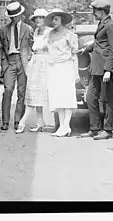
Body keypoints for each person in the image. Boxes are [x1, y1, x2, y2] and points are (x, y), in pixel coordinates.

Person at [80, 0, 113, 140]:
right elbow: (99, 43)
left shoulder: (110, 26)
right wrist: (85, 50)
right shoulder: (102, 24)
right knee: (91, 97)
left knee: (107, 99)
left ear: (101, 11)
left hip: (104, 69)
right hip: (96, 68)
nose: (93, 13)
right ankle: (94, 128)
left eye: (95, 10)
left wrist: (108, 70)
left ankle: (108, 130)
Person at [0, 1, 34, 131]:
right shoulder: (3, 30)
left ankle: (18, 121)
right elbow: (0, 48)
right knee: (7, 90)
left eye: (16, 16)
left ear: (20, 15)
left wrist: (30, 58)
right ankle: (5, 121)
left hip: (23, 62)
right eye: (11, 16)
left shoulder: (28, 29)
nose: (13, 19)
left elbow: (32, 46)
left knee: (21, 92)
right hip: (9, 62)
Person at [45, 9, 79, 137]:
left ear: (62, 21)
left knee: (67, 96)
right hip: (54, 67)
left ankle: (66, 125)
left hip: (66, 66)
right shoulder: (50, 35)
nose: (54, 22)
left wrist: (76, 73)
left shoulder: (69, 35)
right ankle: (62, 126)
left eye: (56, 19)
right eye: (53, 19)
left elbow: (75, 54)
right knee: (57, 97)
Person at [16, 8, 50, 134]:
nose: (38, 20)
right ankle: (40, 121)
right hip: (35, 63)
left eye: (41, 18)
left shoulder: (49, 32)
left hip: (44, 64)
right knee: (34, 92)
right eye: (36, 18)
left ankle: (22, 121)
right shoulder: (35, 31)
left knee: (37, 93)